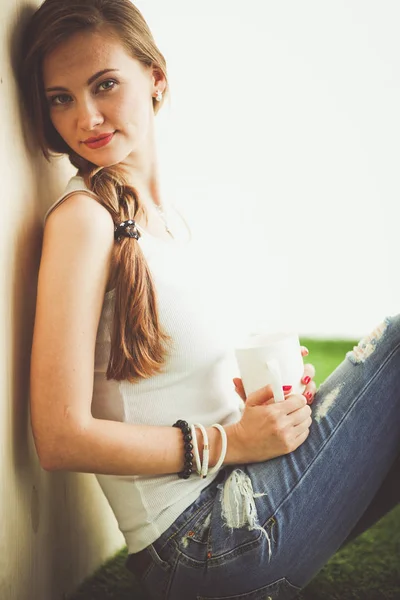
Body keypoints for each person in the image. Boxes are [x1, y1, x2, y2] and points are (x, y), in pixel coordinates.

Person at [20, 1, 400, 599]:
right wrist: (230, 441)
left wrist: (262, 403)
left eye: (104, 85)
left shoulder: (175, 222)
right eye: (60, 98)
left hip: (238, 499)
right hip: (199, 546)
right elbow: (59, 434)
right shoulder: (82, 220)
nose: (85, 116)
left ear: (157, 79)